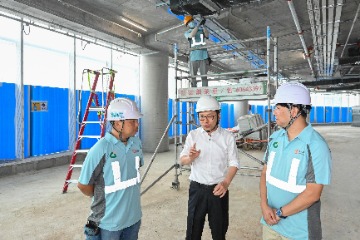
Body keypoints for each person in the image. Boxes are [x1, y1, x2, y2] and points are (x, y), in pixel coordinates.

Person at [259, 82, 332, 240]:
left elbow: (313, 194)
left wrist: (279, 213)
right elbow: (265, 174)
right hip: (270, 226)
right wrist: (264, 206)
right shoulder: (275, 139)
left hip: (299, 233)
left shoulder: (316, 145)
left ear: (293, 110)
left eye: (278, 108)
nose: (274, 113)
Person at [77, 97, 144, 240]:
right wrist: (102, 195)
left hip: (133, 218)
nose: (137, 125)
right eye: (132, 121)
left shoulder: (136, 144)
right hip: (109, 222)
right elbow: (83, 185)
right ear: (118, 122)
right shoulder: (101, 149)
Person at [180, 95, 240, 240]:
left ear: (218, 116)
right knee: (193, 229)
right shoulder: (193, 135)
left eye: (210, 117)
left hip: (218, 189)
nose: (205, 121)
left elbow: (234, 163)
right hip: (197, 189)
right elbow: (182, 160)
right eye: (202, 117)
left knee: (219, 231)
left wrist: (225, 183)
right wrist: (191, 158)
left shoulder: (227, 137)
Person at [184, 15, 210, 88]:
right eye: (189, 22)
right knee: (193, 76)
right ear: (187, 25)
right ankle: (193, 90)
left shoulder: (201, 30)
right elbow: (192, 35)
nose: (191, 22)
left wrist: (203, 26)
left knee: (204, 76)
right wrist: (198, 25)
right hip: (193, 57)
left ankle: (205, 90)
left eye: (192, 20)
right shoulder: (187, 32)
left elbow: (207, 35)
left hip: (203, 56)